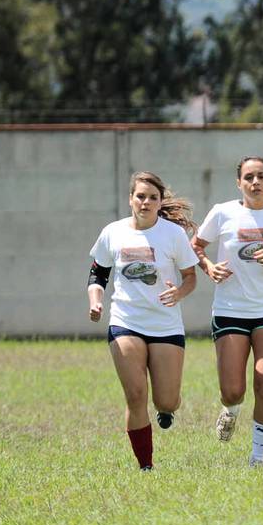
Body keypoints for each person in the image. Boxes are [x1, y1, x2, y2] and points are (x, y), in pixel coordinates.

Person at [192, 155, 263, 466]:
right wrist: (209, 267)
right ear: (239, 183)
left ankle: (258, 455)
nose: (255, 182)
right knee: (232, 391)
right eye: (248, 177)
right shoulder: (222, 213)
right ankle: (230, 410)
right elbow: (196, 246)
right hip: (230, 309)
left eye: (260, 176)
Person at [86, 171, 199, 471]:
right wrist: (95, 300)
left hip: (165, 325)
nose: (145, 202)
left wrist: (179, 293)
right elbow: (98, 274)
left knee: (167, 400)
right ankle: (146, 466)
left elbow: (190, 277)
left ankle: (167, 410)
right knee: (136, 395)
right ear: (130, 199)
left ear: (160, 202)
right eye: (140, 196)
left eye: (152, 197)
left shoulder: (173, 235)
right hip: (126, 321)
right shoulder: (113, 232)